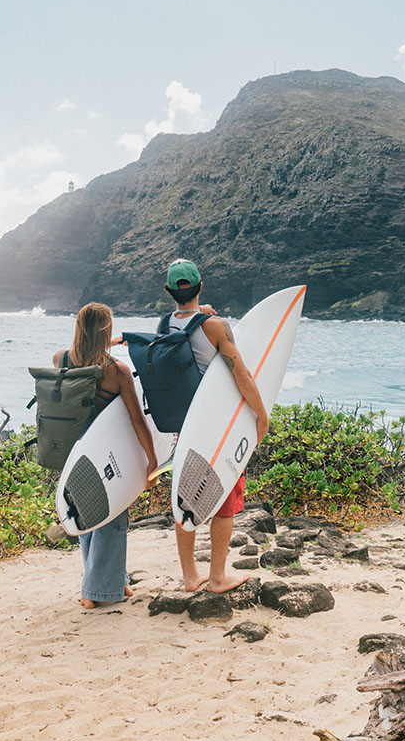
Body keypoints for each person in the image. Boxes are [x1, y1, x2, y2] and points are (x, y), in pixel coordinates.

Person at [162, 258, 269, 593]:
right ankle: (218, 576)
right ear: (200, 286)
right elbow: (241, 373)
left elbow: (187, 334)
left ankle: (190, 577)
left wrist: (202, 313)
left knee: (186, 493)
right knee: (224, 492)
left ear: (169, 292)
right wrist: (260, 414)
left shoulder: (164, 325)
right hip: (217, 426)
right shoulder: (216, 327)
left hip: (184, 426)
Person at [54, 302, 158, 609]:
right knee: (111, 518)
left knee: (86, 515)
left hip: (74, 454)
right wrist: (152, 460)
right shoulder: (117, 372)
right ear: (106, 331)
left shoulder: (61, 358)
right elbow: (137, 420)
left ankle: (114, 581)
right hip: (105, 455)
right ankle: (95, 593)